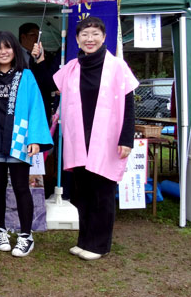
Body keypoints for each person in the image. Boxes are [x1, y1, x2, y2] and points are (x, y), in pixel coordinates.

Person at [53, 16, 138, 261]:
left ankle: (100, 245)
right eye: (84, 34)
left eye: (95, 34)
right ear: (77, 39)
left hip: (107, 140)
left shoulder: (117, 66)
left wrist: (126, 138)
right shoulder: (72, 67)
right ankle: (85, 240)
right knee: (83, 193)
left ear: (104, 37)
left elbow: (129, 104)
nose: (90, 39)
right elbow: (49, 80)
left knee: (102, 192)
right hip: (79, 139)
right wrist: (38, 59)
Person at [0, 31, 53, 257]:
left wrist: (36, 139)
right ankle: (0, 230)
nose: (3, 52)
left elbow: (36, 107)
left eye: (7, 47)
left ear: (15, 50)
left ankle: (26, 235)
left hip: (19, 141)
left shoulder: (26, 76)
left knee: (21, 188)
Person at [19, 22, 58, 125]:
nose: (36, 38)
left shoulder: (46, 56)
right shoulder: (14, 55)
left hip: (42, 101)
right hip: (22, 101)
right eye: (33, 35)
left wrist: (40, 60)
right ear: (23, 37)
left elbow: (49, 82)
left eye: (38, 35)